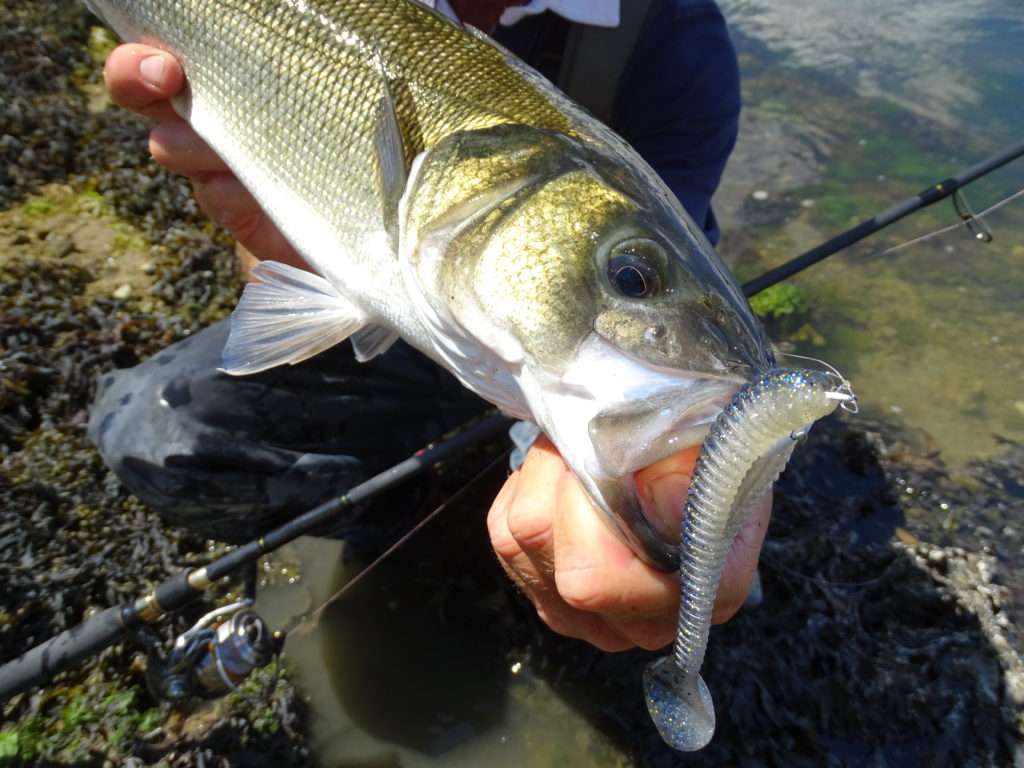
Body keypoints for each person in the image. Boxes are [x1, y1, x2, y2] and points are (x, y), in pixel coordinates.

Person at [90, 0, 771, 653]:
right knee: (154, 429)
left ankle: (486, 519)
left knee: (623, 564)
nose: (630, 278)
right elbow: (265, 276)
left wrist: (693, 456)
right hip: (421, 313)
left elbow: (682, 286)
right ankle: (424, 530)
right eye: (630, 275)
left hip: (495, 344)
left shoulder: (678, 46)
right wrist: (270, 241)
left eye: (631, 276)